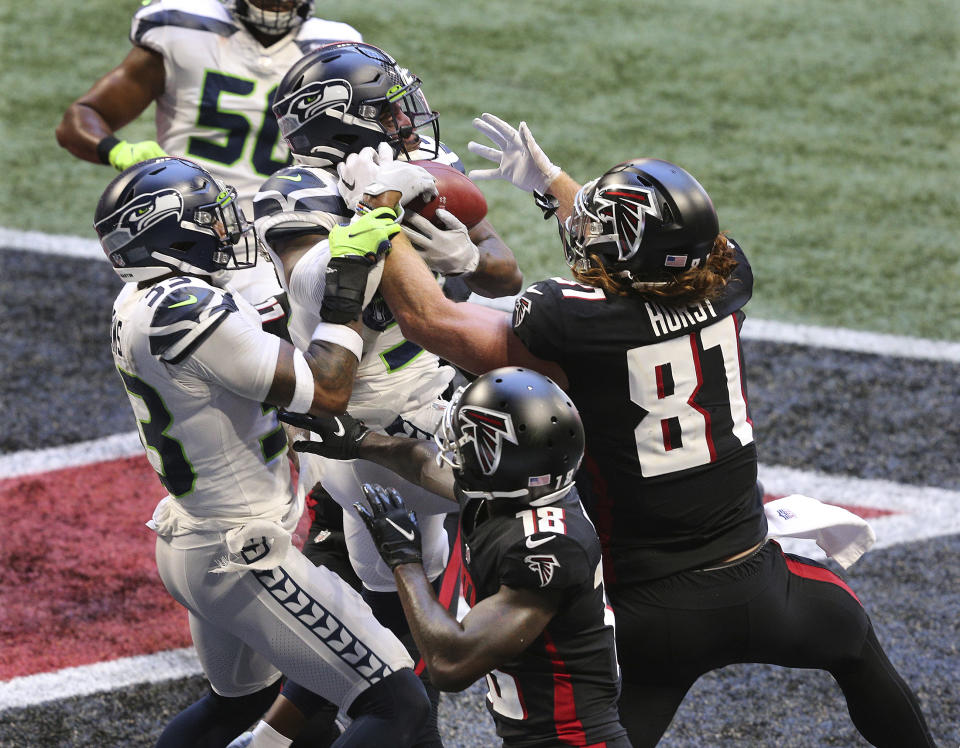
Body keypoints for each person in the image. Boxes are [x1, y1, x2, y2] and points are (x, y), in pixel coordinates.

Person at [338, 119, 938, 747]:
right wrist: (556, 186)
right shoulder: (730, 276)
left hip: (649, 614)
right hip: (763, 583)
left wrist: (377, 211)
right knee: (856, 645)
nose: (585, 231)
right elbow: (654, 252)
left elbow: (430, 321)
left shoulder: (568, 320)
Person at [96, 155, 430, 747]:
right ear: (168, 233)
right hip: (241, 552)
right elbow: (327, 387)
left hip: (195, 538)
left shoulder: (141, 304)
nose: (228, 228)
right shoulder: (187, 310)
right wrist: (348, 270)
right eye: (210, 219)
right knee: (396, 701)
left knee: (238, 705)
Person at [247, 41, 524, 746]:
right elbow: (319, 286)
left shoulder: (422, 170)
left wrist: (463, 254)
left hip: (437, 404)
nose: (408, 122)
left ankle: (275, 740)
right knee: (410, 640)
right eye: (390, 111)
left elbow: (502, 272)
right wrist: (381, 218)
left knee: (387, 637)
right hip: (368, 434)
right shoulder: (297, 192)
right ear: (342, 124)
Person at [280, 367, 630, 747]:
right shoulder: (519, 490)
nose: (454, 449)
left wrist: (404, 559)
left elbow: (451, 664)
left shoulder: (546, 545)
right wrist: (360, 441)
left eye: (468, 442)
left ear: (500, 460)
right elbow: (425, 464)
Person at [56, 0, 363, 338]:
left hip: (284, 231)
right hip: (186, 232)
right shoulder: (182, 28)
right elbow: (79, 120)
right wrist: (121, 152)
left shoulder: (333, 48)